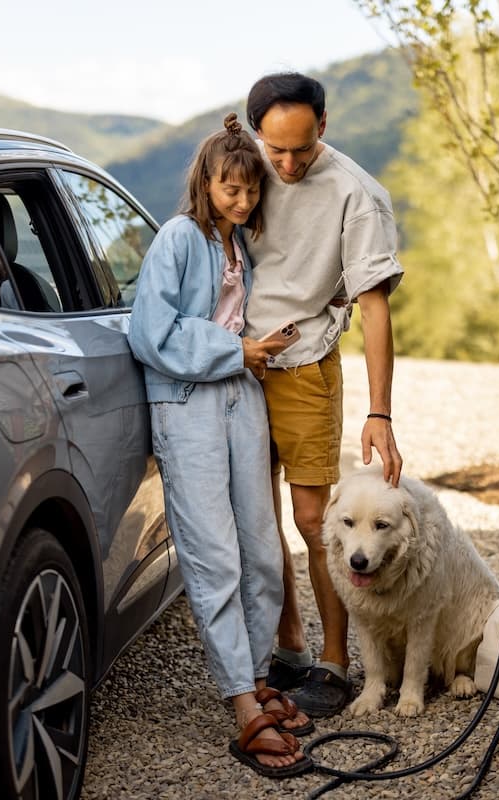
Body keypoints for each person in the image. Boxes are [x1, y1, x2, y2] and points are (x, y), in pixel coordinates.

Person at [127, 113, 314, 778]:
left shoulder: (240, 249)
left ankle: (258, 676)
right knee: (214, 555)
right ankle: (242, 703)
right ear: (205, 184)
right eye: (230, 188)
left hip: (242, 396)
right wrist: (236, 350)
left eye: (251, 189)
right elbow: (149, 331)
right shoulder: (179, 237)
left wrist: (259, 351)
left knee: (262, 549)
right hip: (189, 404)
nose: (242, 199)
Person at [243, 72, 405, 719]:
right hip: (237, 365)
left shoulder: (356, 194)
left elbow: (375, 306)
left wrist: (379, 411)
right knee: (258, 517)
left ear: (324, 126)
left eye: (302, 149)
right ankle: (291, 647)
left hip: (305, 367)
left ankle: (335, 664)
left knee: (315, 521)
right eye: (275, 149)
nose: (286, 165)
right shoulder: (241, 167)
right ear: (256, 133)